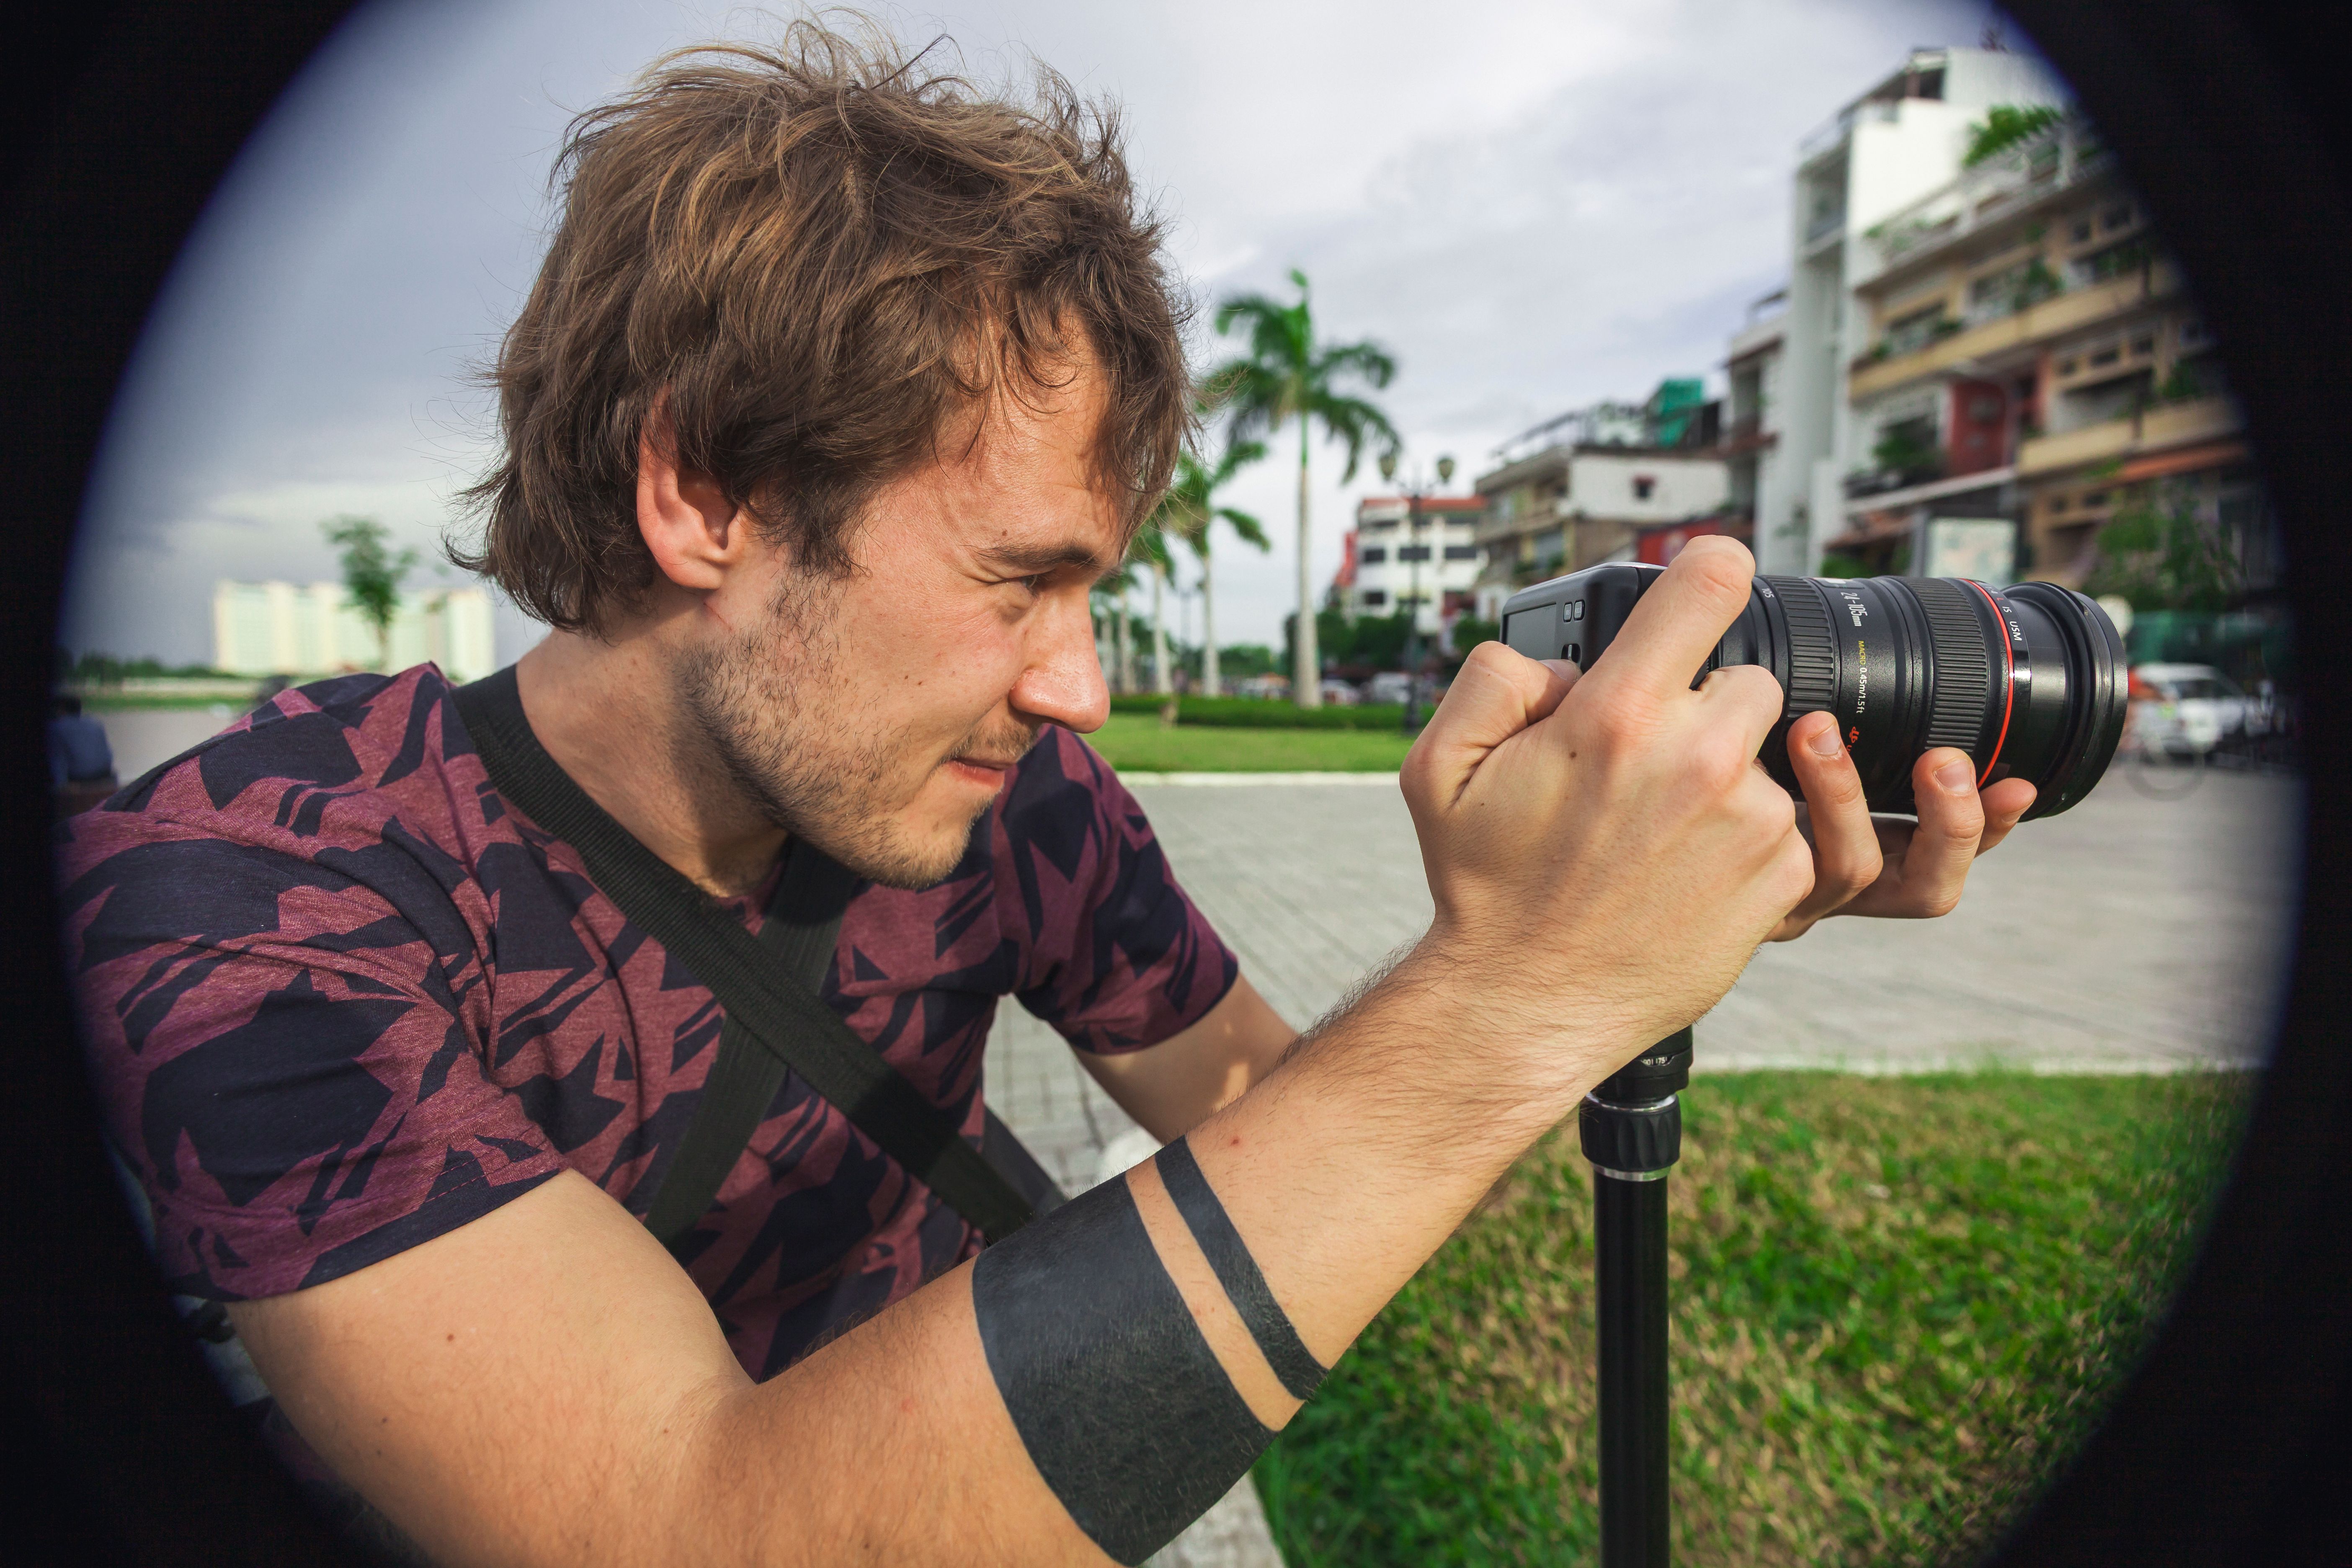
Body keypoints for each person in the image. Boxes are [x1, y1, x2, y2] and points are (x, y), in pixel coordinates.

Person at [57, 26, 2035, 1567]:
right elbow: (680, 1525)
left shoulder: (1018, 803)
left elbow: (1278, 1119)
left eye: (1093, 587)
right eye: (1020, 582)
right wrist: (1506, 1006)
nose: (1076, 684)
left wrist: (1576, 948)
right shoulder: (252, 894)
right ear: (707, 495)